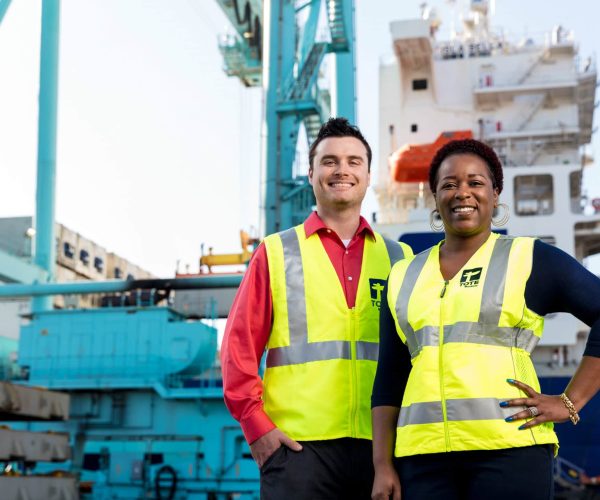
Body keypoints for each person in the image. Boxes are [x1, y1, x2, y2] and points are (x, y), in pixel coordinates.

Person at [371, 138, 600, 500]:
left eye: (475, 183)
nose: (462, 192)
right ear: (435, 197)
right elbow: (389, 377)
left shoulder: (528, 258)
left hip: (510, 452)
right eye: (449, 184)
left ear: (495, 194)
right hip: (423, 460)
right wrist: (382, 464)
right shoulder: (403, 276)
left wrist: (570, 401)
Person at [221, 117, 413, 499]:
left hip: (381, 450)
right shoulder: (275, 252)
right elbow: (237, 348)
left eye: (353, 162)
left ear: (369, 175)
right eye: (330, 161)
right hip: (296, 449)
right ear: (311, 173)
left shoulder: (400, 257)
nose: (342, 170)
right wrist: (257, 427)